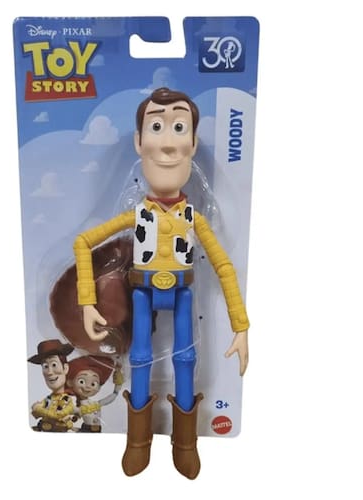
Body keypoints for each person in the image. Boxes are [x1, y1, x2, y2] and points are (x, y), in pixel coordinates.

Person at [73, 87, 249, 479]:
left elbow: (224, 267)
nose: (168, 144)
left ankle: (185, 444)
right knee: (140, 358)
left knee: (185, 360)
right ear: (139, 142)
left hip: (183, 291)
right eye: (157, 127)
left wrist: (241, 326)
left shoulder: (193, 219)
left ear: (192, 144)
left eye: (179, 127)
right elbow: (83, 242)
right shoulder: (136, 215)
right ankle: (137, 442)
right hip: (141, 291)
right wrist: (88, 302)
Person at [28, 339, 78, 432]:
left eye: (54, 365)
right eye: (45, 366)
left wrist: (39, 409)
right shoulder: (48, 399)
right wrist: (36, 410)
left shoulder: (71, 399)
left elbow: (58, 415)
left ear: (65, 368)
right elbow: (34, 414)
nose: (49, 372)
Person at [66, 355, 123, 432]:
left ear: (99, 387)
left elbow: (114, 395)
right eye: (82, 381)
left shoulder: (96, 404)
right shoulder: (78, 407)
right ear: (70, 383)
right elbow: (68, 412)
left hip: (97, 430)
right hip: (86, 430)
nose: (88, 386)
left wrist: (118, 383)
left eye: (93, 384)